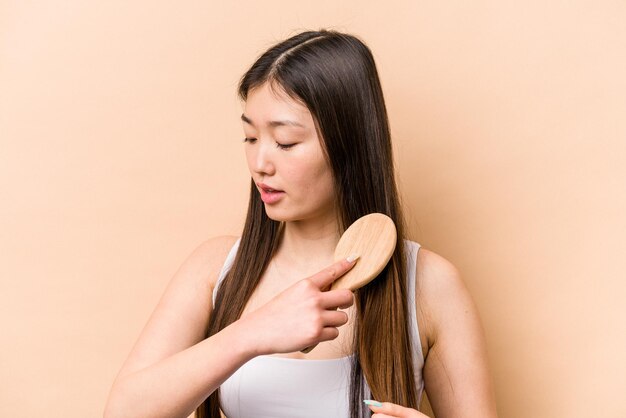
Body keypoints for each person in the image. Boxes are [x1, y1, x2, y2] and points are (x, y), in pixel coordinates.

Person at [104, 29, 498, 418]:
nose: (260, 164)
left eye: (285, 142)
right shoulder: (215, 268)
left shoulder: (428, 284)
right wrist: (252, 332)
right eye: (250, 137)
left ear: (349, 144)